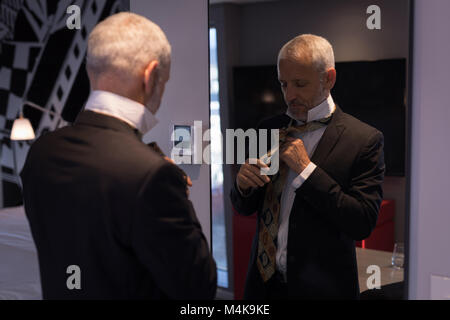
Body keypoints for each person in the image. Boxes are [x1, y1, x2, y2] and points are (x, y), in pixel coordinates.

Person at [20, 12, 216, 300]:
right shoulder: (154, 175)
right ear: (150, 77)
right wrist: (179, 194)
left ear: (91, 71)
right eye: (164, 82)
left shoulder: (40, 152)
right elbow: (198, 287)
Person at [230, 34, 385, 299]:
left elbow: (361, 223)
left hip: (323, 291)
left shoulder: (365, 140)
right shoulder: (267, 129)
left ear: (329, 78)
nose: (290, 95)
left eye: (300, 84)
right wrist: (242, 186)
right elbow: (245, 206)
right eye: (283, 84)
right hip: (262, 288)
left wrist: (306, 171)